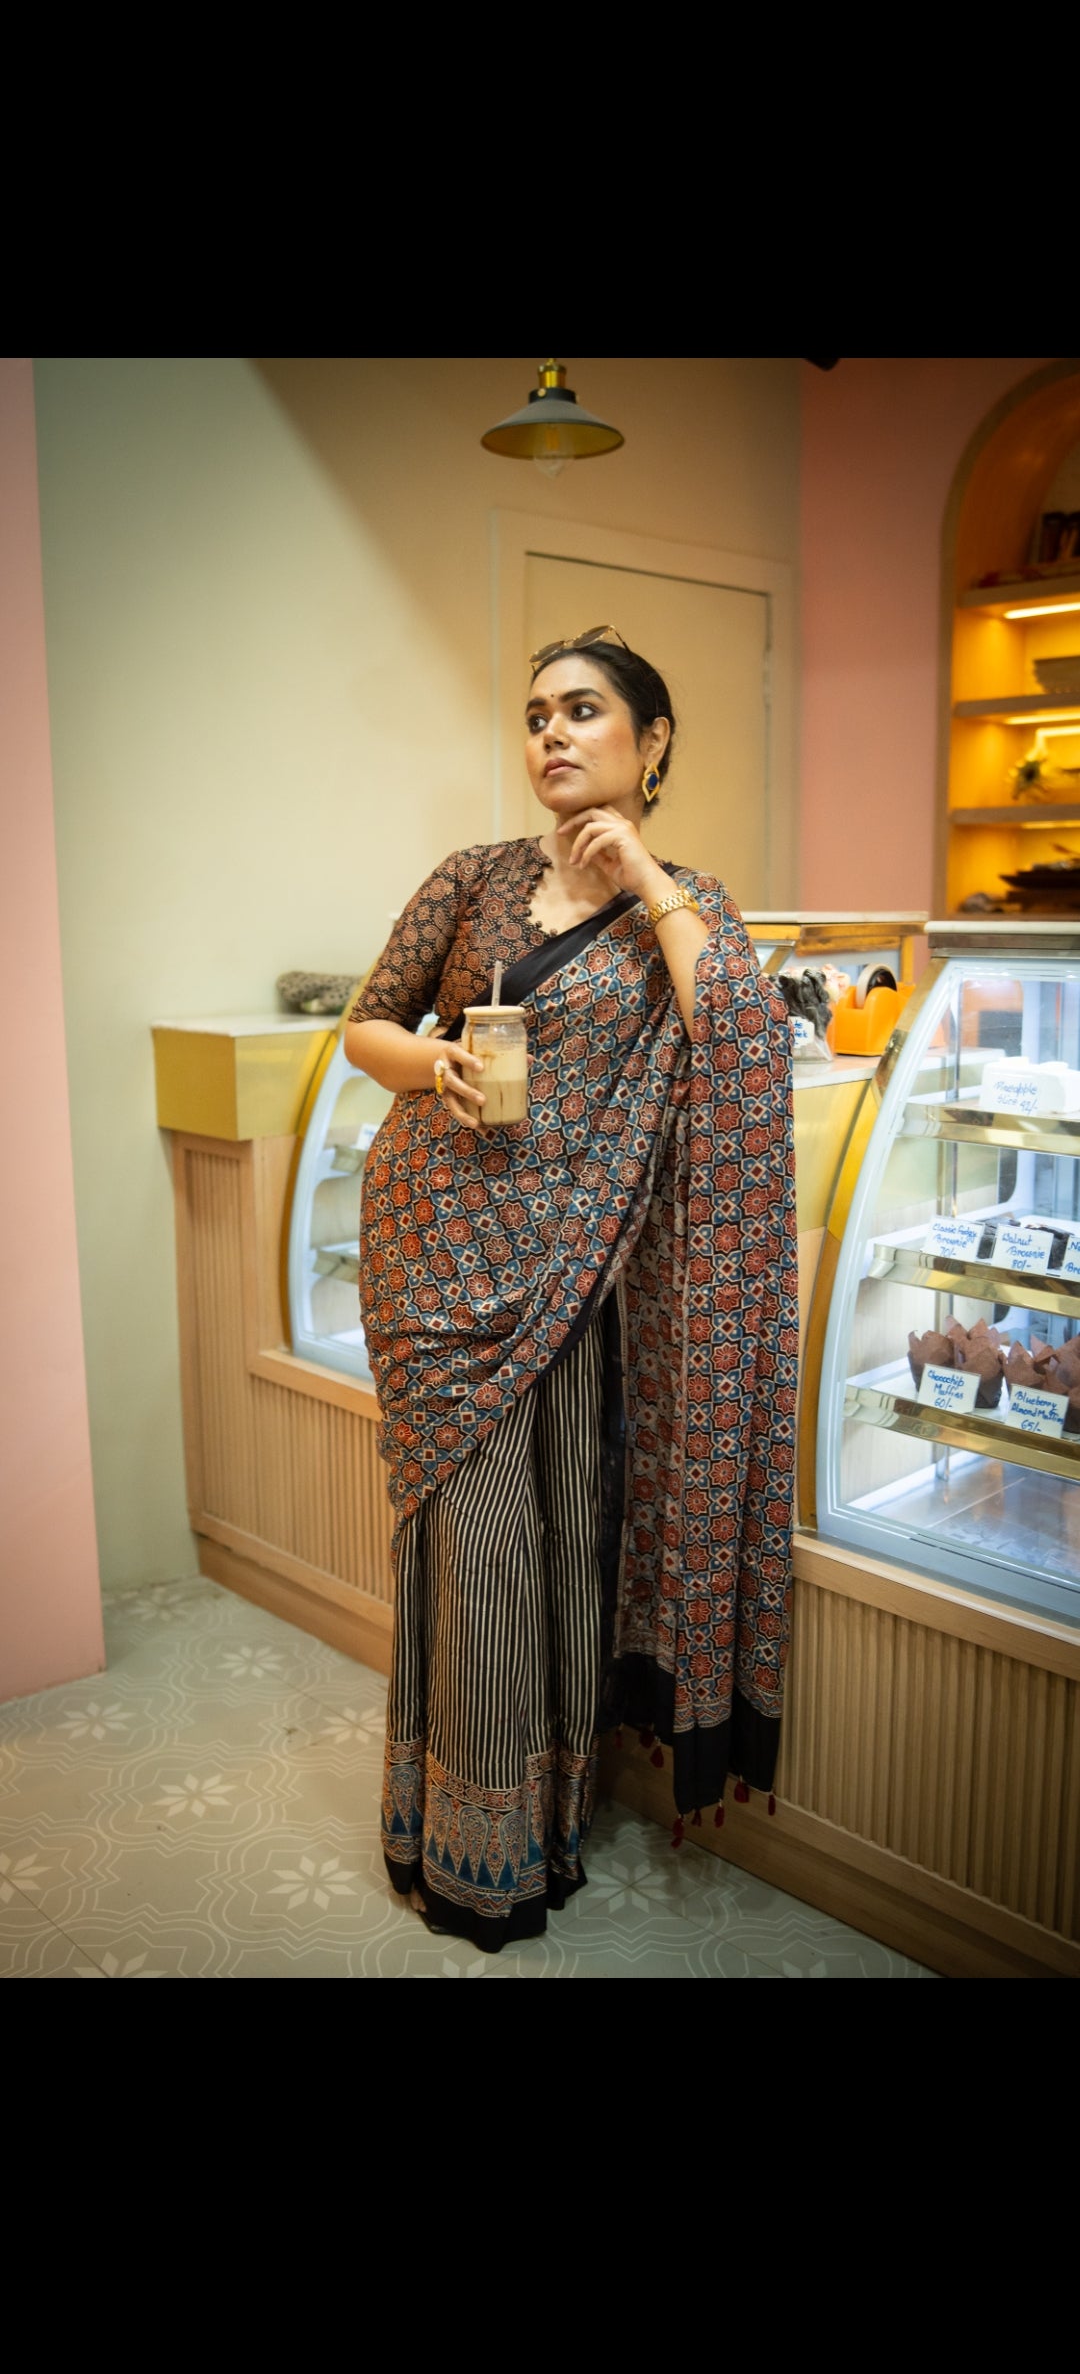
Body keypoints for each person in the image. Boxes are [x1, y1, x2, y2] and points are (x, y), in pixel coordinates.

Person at [344, 626, 798, 1952]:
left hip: (579, 1284)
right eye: (537, 712)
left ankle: (535, 1827)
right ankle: (471, 1864)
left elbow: (743, 1052)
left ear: (649, 745)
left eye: (584, 712)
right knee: (483, 1560)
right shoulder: (472, 878)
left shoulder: (691, 904)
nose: (550, 732)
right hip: (434, 1265)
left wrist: (645, 875)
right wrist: (435, 1072)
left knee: (560, 1557)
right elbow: (369, 1022)